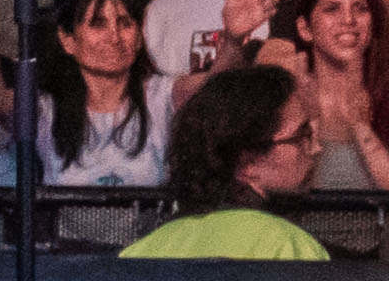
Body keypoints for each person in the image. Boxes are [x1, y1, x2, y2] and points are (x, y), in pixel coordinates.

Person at [120, 65, 328, 261]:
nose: (315, 148)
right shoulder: (293, 249)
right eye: (302, 135)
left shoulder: (138, 253)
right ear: (248, 165)